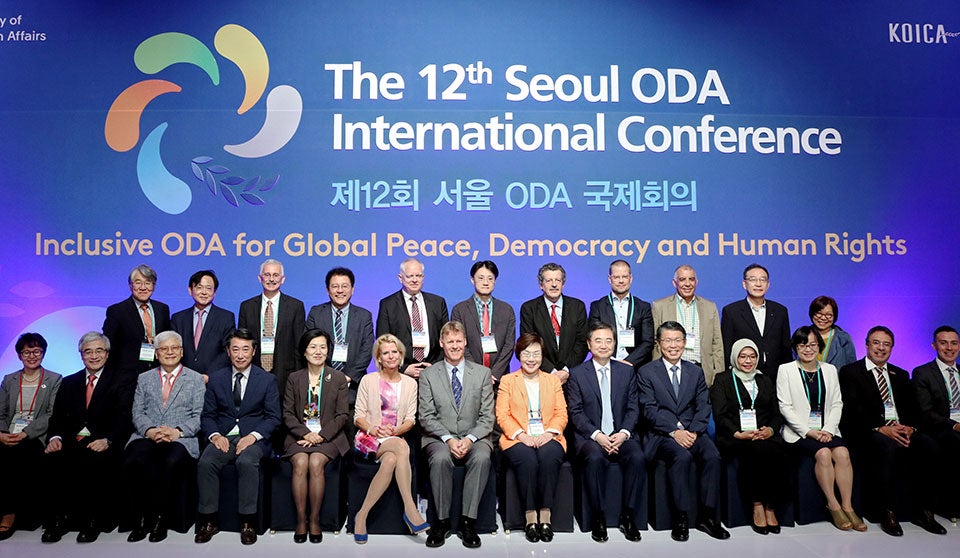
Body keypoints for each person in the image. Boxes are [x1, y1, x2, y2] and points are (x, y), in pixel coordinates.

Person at [838, 326, 946, 536]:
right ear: (867, 344)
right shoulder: (851, 372)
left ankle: (924, 511)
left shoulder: (901, 375)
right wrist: (880, 428)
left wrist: (910, 428)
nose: (881, 348)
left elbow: (914, 409)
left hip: (900, 429)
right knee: (886, 446)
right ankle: (887, 512)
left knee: (930, 446)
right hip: (868, 431)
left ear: (892, 348)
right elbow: (852, 410)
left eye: (886, 344)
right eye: (876, 343)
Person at [638, 321, 728, 542]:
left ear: (685, 343)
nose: (673, 345)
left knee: (712, 456)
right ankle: (681, 517)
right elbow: (649, 410)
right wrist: (675, 431)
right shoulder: (646, 372)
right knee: (681, 456)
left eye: (678, 340)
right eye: (668, 340)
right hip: (662, 434)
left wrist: (693, 431)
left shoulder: (695, 371)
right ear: (659, 344)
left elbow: (703, 405)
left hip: (693, 431)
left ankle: (708, 516)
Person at [42, 332, 134, 543]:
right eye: (88, 351)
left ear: (107, 354)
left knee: (96, 460)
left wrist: (108, 440)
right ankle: (59, 520)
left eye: (99, 350)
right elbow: (57, 416)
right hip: (72, 440)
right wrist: (55, 437)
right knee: (53, 459)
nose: (93, 356)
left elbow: (124, 418)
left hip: (104, 440)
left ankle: (93, 521)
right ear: (81, 355)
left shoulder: (120, 380)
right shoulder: (69, 382)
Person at [195, 329, 281, 545]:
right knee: (206, 462)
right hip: (223, 435)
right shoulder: (216, 378)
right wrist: (215, 436)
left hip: (254, 438)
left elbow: (273, 417)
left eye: (245, 349)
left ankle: (247, 521)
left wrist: (252, 436)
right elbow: (208, 415)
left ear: (253, 351)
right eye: (235, 349)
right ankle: (209, 520)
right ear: (228, 352)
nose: (240, 355)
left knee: (247, 461)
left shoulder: (267, 379)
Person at [776, 326, 863, 532]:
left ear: (820, 347)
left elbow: (837, 403)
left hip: (827, 429)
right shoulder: (786, 370)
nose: (808, 349)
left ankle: (848, 506)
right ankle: (833, 505)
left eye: (813, 344)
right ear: (796, 347)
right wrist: (809, 432)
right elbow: (784, 406)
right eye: (803, 344)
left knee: (842, 453)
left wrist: (829, 429)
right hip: (799, 433)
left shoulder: (829, 370)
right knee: (823, 454)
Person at [123, 330, 205, 543]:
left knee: (170, 460)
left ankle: (160, 519)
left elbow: (199, 415)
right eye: (164, 349)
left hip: (181, 437)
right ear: (156, 354)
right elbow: (137, 412)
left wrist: (176, 431)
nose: (170, 352)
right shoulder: (144, 378)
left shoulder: (195, 379)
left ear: (182, 351)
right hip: (147, 435)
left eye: (174, 348)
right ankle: (141, 519)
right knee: (135, 459)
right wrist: (150, 431)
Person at [568, 321, 645, 543]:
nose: (603, 345)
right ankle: (598, 516)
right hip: (591, 436)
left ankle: (628, 515)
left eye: (608, 340)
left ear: (615, 343)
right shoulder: (577, 373)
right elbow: (576, 412)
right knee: (593, 458)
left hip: (621, 434)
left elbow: (633, 408)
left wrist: (623, 434)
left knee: (638, 457)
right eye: (598, 340)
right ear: (589, 344)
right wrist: (598, 436)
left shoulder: (626, 371)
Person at [420, 321, 495, 548]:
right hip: (439, 437)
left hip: (476, 436)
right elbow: (426, 416)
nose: (455, 346)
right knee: (442, 458)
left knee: (482, 457)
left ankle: (467, 522)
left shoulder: (482, 373)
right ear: (442, 343)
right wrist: (449, 439)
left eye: (459, 341)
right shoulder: (428, 375)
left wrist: (470, 439)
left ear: (465, 342)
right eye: (450, 341)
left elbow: (487, 417)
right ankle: (441, 522)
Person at [352, 334, 428, 544]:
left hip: (394, 437)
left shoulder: (410, 383)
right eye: (386, 353)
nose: (391, 356)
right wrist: (375, 430)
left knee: (392, 459)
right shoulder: (368, 380)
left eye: (394, 351)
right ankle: (410, 509)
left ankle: (362, 516)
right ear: (379, 358)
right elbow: (358, 417)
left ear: (401, 354)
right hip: (369, 436)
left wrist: (394, 431)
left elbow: (410, 420)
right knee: (402, 447)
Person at [710, 339, 787, 535]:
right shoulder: (722, 379)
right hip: (734, 435)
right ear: (735, 357)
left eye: (752, 357)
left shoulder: (764, 379)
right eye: (743, 356)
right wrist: (738, 433)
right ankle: (757, 505)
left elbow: (777, 413)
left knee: (780, 452)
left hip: (764, 434)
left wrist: (770, 430)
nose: (748, 361)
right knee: (757, 452)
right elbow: (720, 414)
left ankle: (771, 506)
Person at [496, 333, 567, 543]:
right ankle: (530, 518)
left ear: (542, 355)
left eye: (536, 353)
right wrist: (521, 435)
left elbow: (561, 413)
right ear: (519, 355)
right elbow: (502, 414)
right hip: (516, 437)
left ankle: (545, 516)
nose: (531, 358)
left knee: (548, 457)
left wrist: (549, 433)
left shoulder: (552, 380)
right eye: (526, 353)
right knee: (527, 460)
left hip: (549, 435)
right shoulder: (508, 380)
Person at [282, 329, 350, 543]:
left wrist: (320, 435)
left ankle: (315, 520)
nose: (318, 351)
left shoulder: (338, 377)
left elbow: (342, 415)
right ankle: (301, 520)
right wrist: (306, 433)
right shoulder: (294, 378)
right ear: (304, 351)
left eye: (322, 347)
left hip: (329, 437)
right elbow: (288, 414)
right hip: (298, 436)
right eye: (313, 347)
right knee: (301, 461)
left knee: (316, 462)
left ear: (328, 350)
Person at [0, 333, 62, 540]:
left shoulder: (54, 379)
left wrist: (26, 433)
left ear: (43, 353)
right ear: (19, 355)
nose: (32, 356)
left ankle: (10, 514)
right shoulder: (9, 380)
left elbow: (50, 413)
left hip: (35, 435)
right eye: (27, 352)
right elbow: (0, 412)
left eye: (36, 351)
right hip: (8, 433)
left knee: (18, 455)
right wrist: (2, 434)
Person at [305, 267, 374, 404]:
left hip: (353, 387)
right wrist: (326, 376)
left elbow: (367, 349)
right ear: (327, 290)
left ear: (352, 289)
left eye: (345, 286)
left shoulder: (363, 315)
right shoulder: (316, 313)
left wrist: (348, 377)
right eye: (335, 286)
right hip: (320, 383)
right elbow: (308, 346)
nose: (340, 290)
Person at [238, 259, 306, 394]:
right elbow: (242, 343)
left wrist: (299, 378)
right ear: (260, 278)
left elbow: (299, 345)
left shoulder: (295, 306)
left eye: (275, 275)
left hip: (286, 375)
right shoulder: (247, 306)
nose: (271, 279)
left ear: (283, 279)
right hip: (253, 372)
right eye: (267, 275)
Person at [912, 325, 960, 518]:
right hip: (939, 427)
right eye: (943, 343)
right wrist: (955, 425)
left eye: (954, 343)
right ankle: (951, 506)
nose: (949, 348)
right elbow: (926, 412)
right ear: (934, 345)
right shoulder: (923, 373)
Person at [651, 264, 724, 385]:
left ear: (696, 282)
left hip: (702, 372)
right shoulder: (659, 306)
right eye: (682, 279)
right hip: (670, 370)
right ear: (674, 283)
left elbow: (717, 344)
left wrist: (718, 374)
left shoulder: (710, 307)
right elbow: (655, 342)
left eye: (691, 279)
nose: (687, 283)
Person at [376, 258, 449, 378]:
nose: (414, 280)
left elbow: (445, 339)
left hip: (434, 372)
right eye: (410, 276)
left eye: (418, 276)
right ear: (400, 278)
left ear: (423, 277)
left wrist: (435, 366)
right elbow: (382, 341)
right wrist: (402, 367)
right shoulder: (387, 304)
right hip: (400, 374)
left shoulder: (437, 302)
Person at [721, 264, 791, 380]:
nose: (758, 284)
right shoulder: (731, 311)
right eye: (753, 279)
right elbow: (727, 347)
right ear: (744, 284)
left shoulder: (780, 311)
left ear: (768, 285)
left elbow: (786, 347)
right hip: (743, 375)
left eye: (762, 280)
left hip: (776, 375)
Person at [102, 264, 171, 383]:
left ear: (153, 286)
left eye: (148, 283)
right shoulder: (117, 311)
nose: (143, 287)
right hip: (127, 378)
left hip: (159, 374)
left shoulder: (162, 309)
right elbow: (109, 346)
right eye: (138, 282)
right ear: (130, 285)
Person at [519, 262, 588, 380]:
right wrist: (551, 371)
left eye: (558, 280)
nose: (554, 284)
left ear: (563, 284)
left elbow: (582, 342)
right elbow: (529, 344)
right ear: (541, 284)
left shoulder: (577, 306)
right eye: (549, 281)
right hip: (541, 375)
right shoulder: (529, 308)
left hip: (572, 375)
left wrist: (566, 370)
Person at [450, 260, 517, 383]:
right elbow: (460, 345)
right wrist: (479, 373)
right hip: (469, 377)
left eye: (490, 278)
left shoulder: (506, 310)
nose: (486, 282)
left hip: (499, 378)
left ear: (495, 281)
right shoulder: (460, 310)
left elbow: (509, 345)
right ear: (472, 280)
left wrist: (495, 373)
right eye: (481, 278)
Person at [588, 260, 654, 370]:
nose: (621, 281)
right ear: (610, 279)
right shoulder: (597, 306)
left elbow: (648, 342)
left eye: (624, 276)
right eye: (616, 277)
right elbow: (593, 339)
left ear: (631, 278)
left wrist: (628, 362)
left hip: (635, 366)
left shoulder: (643, 307)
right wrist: (610, 361)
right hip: (605, 365)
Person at [171, 270, 236, 381]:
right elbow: (173, 349)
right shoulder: (178, 318)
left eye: (208, 288)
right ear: (190, 290)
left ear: (214, 292)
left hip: (214, 380)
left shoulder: (226, 317)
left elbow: (228, 350)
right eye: (199, 287)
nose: (204, 292)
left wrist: (209, 375)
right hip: (182, 380)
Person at [808, 296, 856, 369]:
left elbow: (852, 369)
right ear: (812, 314)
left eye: (828, 315)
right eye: (819, 313)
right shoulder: (802, 336)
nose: (823, 318)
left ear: (834, 316)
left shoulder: (844, 339)